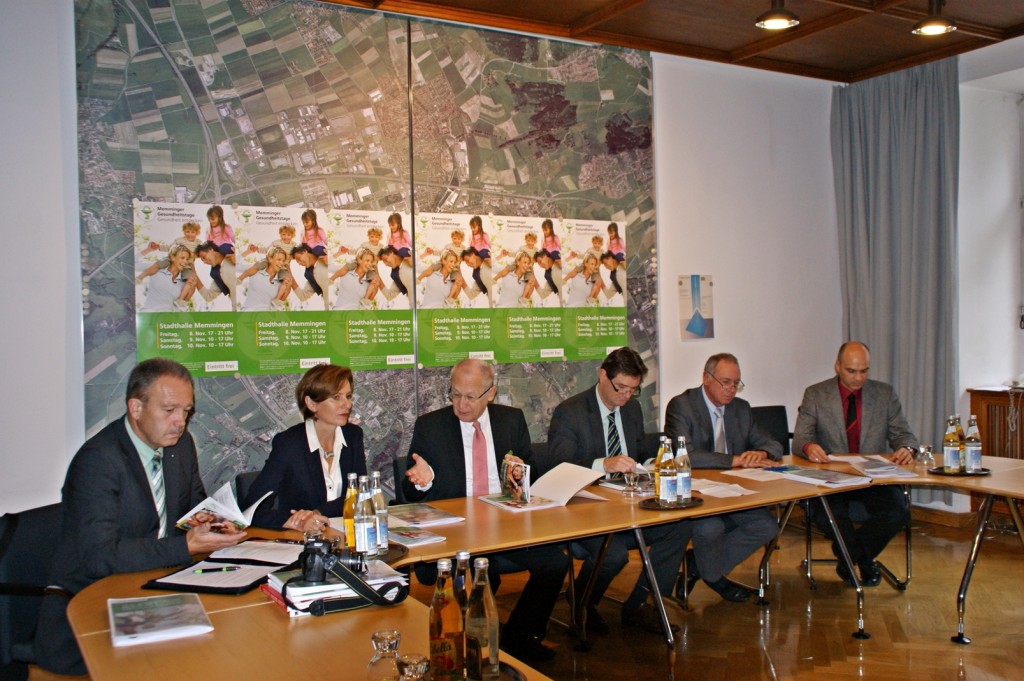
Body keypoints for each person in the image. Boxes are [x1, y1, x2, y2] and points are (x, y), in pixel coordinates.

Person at [36, 359, 244, 675]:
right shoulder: (99, 461)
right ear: (136, 408)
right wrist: (186, 547)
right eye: (169, 410)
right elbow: (99, 556)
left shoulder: (181, 446)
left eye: (186, 411)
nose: (180, 422)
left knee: (227, 644)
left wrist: (214, 522)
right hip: (92, 602)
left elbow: (194, 507)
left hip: (156, 587)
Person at [401, 359, 568, 663]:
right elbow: (410, 492)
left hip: (506, 522)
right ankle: (476, 650)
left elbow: (526, 466)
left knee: (555, 564)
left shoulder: (511, 420)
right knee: (480, 574)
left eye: (470, 397)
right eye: (455, 395)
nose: (461, 405)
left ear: (490, 393)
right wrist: (420, 482)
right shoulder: (431, 426)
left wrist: (519, 474)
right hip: (458, 529)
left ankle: (519, 637)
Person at [547, 347, 690, 635]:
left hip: (628, 504)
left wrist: (655, 464)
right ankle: (582, 605)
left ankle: (638, 604)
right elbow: (559, 465)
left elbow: (638, 454)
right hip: (586, 509)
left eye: (633, 390)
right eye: (620, 387)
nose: (625, 396)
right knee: (613, 555)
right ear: (602, 375)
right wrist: (604, 464)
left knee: (678, 529)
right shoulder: (570, 412)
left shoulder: (632, 409)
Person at [792, 341, 918, 586]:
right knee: (829, 513)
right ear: (838, 366)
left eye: (864, 371)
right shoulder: (816, 394)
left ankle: (851, 557)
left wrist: (906, 448)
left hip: (872, 478)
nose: (858, 378)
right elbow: (801, 439)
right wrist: (810, 447)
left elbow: (904, 435)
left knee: (897, 512)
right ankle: (863, 560)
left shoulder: (884, 394)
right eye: (852, 371)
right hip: (831, 477)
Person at [663, 352, 783, 603]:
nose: (732, 390)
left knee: (767, 526)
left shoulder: (741, 409)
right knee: (710, 528)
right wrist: (734, 460)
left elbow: (773, 444)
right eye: (725, 382)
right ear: (706, 378)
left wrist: (759, 452)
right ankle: (716, 579)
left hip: (734, 492)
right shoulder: (682, 405)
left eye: (736, 383)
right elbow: (683, 455)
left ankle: (700, 566)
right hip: (697, 494)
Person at [243, 364, 367, 531]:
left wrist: (315, 513)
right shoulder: (289, 443)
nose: (347, 405)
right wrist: (295, 521)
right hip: (301, 543)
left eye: (348, 396)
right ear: (311, 403)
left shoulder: (353, 435)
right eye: (336, 397)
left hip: (346, 535)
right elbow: (252, 508)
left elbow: (360, 494)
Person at [138, 244, 197, 312]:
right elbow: (135, 264)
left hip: (168, 320)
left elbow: (185, 300)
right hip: (148, 316)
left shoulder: (184, 282)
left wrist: (193, 287)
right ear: (172, 257)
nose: (185, 262)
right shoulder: (156, 270)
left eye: (187, 259)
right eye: (182, 258)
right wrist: (148, 250)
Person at [238, 246, 291, 311]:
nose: (281, 263)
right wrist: (247, 252)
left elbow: (280, 302)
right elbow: (234, 265)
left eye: (283, 261)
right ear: (270, 259)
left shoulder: (281, 283)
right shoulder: (255, 270)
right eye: (279, 259)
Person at [194, 240, 237, 308]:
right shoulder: (216, 273)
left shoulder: (228, 250)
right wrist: (193, 273)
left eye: (204, 257)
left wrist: (237, 257)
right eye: (203, 261)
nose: (205, 262)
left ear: (211, 249)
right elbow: (208, 296)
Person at [289, 244, 330, 309]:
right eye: (298, 262)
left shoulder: (321, 252)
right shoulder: (310, 274)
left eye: (299, 259)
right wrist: (288, 273)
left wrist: (329, 257)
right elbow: (303, 296)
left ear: (305, 251)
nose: (299, 263)